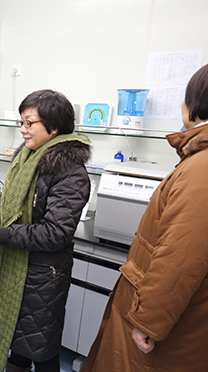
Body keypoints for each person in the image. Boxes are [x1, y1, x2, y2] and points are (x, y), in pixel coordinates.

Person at [81, 65, 208, 372]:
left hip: (161, 327)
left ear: (196, 103)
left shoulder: (201, 169)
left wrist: (148, 321)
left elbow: (182, 257)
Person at [0, 89, 91, 372]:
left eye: (29, 123)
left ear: (54, 127)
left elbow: (55, 233)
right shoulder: (26, 158)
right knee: (17, 339)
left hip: (43, 276)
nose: (23, 129)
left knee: (41, 347)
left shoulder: (70, 171)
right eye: (21, 122)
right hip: (14, 264)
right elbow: (7, 205)